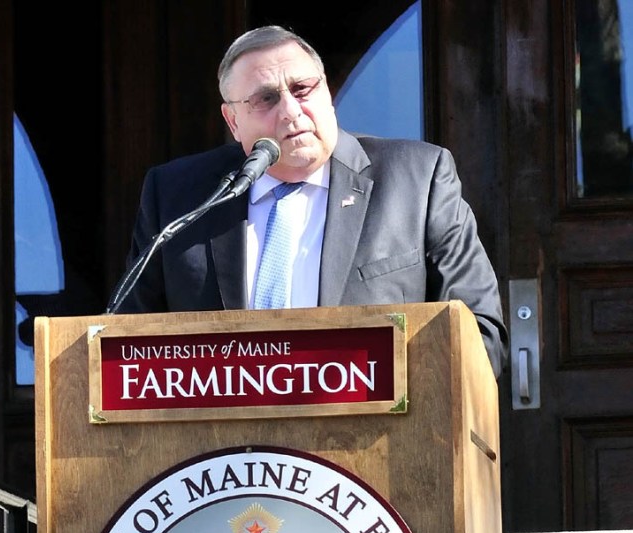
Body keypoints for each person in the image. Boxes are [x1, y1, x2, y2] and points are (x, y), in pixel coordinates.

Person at [112, 24, 508, 378]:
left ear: (327, 93)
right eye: (266, 99)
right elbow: (122, 347)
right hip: (218, 454)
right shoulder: (180, 195)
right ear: (233, 122)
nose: (291, 110)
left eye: (303, 89)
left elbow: (480, 336)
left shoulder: (418, 179)